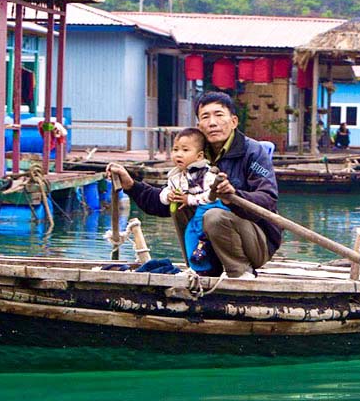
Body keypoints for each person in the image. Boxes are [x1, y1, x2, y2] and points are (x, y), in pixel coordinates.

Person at [107, 91, 281, 279]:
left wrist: (234, 196)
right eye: (206, 117)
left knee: (214, 215)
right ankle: (202, 269)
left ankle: (240, 272)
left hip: (256, 241)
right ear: (199, 125)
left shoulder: (253, 153)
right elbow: (161, 203)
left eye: (219, 115)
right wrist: (131, 185)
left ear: (234, 121)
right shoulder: (195, 154)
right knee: (178, 204)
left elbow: (267, 200)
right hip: (212, 241)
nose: (212, 122)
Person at [159, 128, 220, 272]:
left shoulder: (206, 174)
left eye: (185, 150)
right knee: (190, 235)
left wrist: (190, 199)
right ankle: (198, 267)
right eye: (175, 150)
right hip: (195, 213)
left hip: (211, 209)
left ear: (199, 156)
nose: (178, 154)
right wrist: (169, 196)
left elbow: (213, 195)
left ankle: (204, 267)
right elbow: (164, 192)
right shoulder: (176, 176)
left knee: (196, 234)